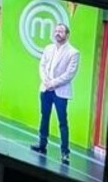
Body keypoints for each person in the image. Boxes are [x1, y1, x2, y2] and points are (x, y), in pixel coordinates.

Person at [31, 21, 80, 165]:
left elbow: (69, 74)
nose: (58, 33)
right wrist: (46, 80)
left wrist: (53, 83)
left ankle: (65, 152)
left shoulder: (73, 53)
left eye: (61, 31)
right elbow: (42, 66)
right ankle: (42, 144)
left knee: (62, 122)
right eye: (56, 31)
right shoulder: (48, 48)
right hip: (45, 88)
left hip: (60, 92)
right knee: (44, 117)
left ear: (67, 35)